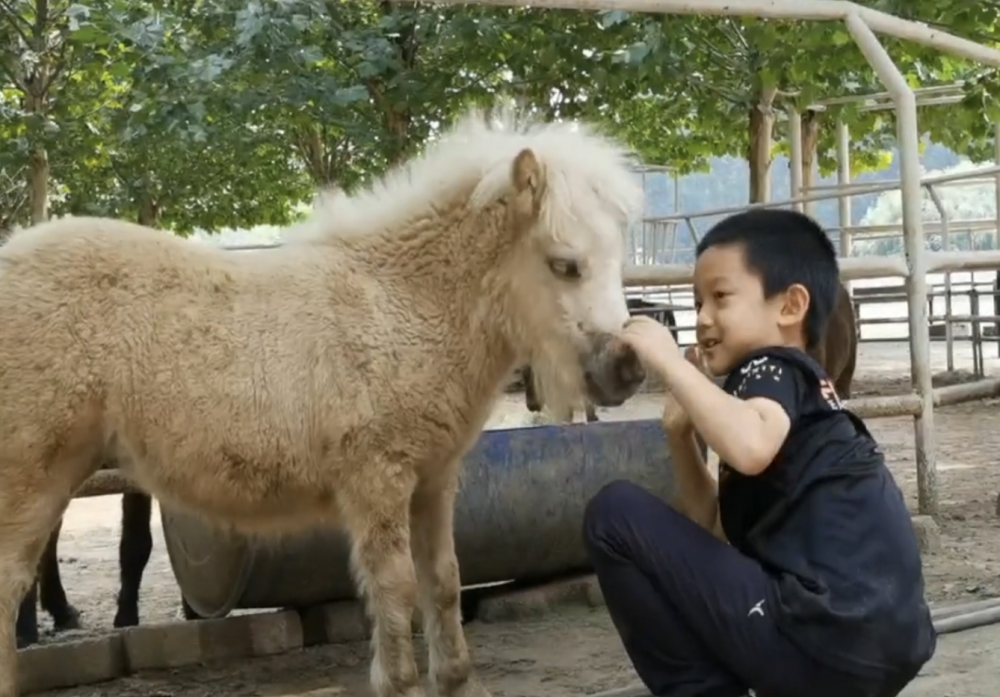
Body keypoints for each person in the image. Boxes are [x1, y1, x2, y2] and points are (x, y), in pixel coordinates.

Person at [583, 208, 936, 697]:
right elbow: (711, 528)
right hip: (871, 645)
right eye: (697, 302)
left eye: (721, 297)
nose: (702, 318)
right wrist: (679, 437)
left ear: (790, 307)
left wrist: (668, 362)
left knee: (614, 515)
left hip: (824, 633)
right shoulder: (801, 405)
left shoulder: (771, 367)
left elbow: (749, 448)